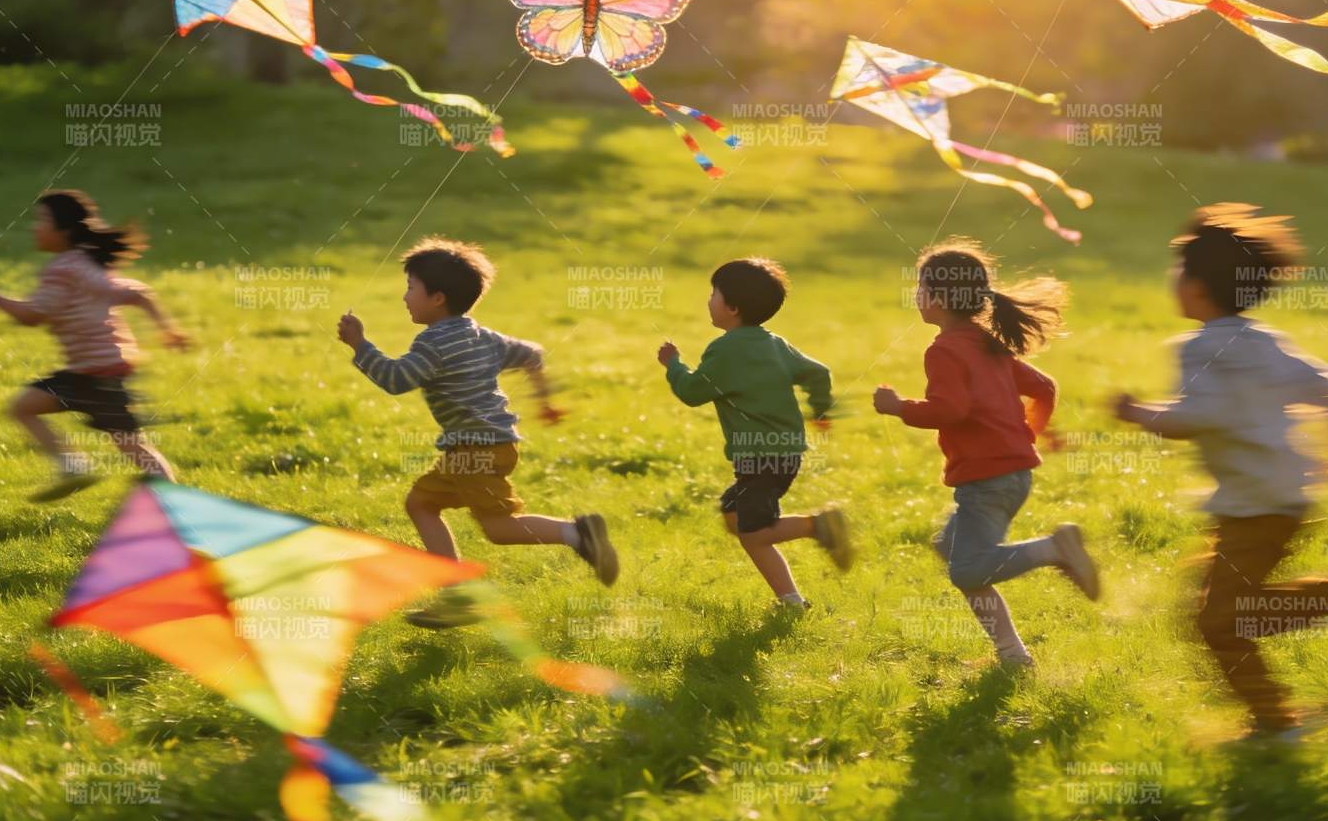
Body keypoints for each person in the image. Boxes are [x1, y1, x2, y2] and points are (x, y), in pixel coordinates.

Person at [1114, 203, 1328, 740]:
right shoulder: (1263, 341)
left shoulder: (1200, 348)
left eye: (1177, 269)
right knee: (1223, 614)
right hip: (1281, 498)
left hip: (1257, 507)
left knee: (1219, 622)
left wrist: (1139, 414)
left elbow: (1198, 416)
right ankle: (1278, 712)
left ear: (1195, 288)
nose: (1172, 278)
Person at [338, 236, 615, 628]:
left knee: (499, 528)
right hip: (485, 446)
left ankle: (578, 535)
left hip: (475, 450)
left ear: (437, 298)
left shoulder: (434, 343)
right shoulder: (482, 335)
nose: (405, 297)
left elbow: (396, 380)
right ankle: (455, 594)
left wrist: (360, 345)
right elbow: (533, 354)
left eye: (411, 288)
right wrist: (545, 403)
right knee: (421, 504)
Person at [873, 239, 1098, 670]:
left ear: (938, 299)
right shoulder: (985, 341)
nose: (916, 295)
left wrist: (898, 407)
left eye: (921, 287)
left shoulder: (943, 349)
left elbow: (950, 410)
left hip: (986, 479)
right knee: (952, 548)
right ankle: (1012, 655)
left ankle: (1055, 549)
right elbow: (1044, 388)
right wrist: (1028, 435)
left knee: (967, 570)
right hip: (1010, 473)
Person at [0, 189, 188, 501]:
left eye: (42, 220)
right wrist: (168, 329)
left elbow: (32, 316)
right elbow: (138, 293)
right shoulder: (86, 264)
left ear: (64, 230)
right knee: (127, 443)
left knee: (29, 410)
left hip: (93, 374)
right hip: (98, 371)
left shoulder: (62, 270)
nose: (34, 227)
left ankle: (80, 468)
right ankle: (79, 468)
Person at [658, 257, 850, 609]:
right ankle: (793, 593)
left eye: (713, 293)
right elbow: (818, 372)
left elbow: (691, 392)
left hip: (760, 456)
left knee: (755, 534)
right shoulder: (775, 344)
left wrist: (673, 365)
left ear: (732, 308)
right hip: (783, 452)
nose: (708, 300)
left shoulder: (725, 349)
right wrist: (820, 409)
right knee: (734, 517)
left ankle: (818, 530)